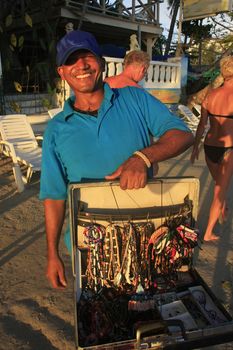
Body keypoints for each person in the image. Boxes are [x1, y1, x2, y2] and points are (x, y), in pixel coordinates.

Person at [40, 30, 194, 289]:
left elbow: (183, 134)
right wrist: (52, 254)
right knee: (102, 317)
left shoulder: (134, 99)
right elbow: (54, 197)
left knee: (151, 312)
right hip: (89, 244)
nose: (81, 65)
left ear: (100, 63)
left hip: (148, 236)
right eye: (71, 60)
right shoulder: (56, 129)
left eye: (87, 56)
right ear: (62, 72)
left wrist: (142, 157)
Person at [190, 55, 233, 242]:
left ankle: (222, 208)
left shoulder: (211, 95)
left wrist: (195, 147)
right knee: (219, 191)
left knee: (219, 186)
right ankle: (208, 232)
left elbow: (201, 124)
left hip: (209, 146)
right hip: (228, 148)